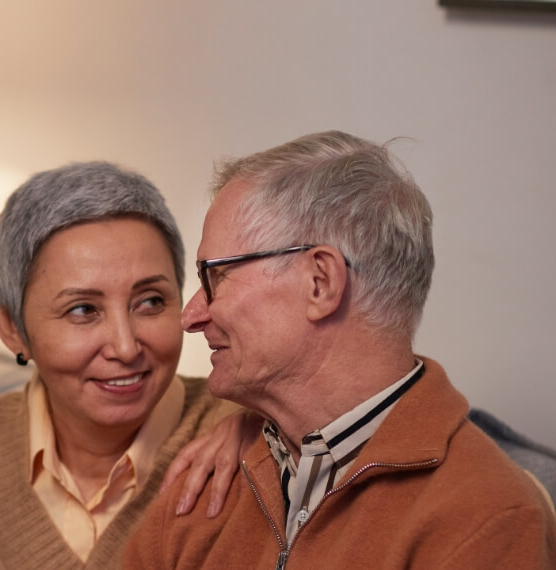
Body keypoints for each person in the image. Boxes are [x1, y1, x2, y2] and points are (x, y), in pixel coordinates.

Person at [124, 131, 556, 568]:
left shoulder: (487, 518)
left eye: (214, 276)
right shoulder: (209, 480)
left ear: (320, 282)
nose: (192, 315)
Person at [0, 161, 240, 569]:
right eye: (83, 309)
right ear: (11, 327)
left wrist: (255, 421)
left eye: (151, 302)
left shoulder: (254, 442)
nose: (125, 347)